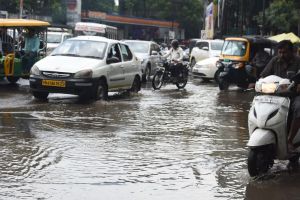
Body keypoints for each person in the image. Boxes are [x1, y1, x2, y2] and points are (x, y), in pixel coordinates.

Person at [260, 40, 300, 152]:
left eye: (285, 52)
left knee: (299, 108)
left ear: (292, 52)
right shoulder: (275, 60)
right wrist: (257, 82)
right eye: (280, 52)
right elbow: (264, 75)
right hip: (275, 95)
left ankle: (290, 140)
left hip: (293, 95)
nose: (282, 55)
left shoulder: (298, 61)